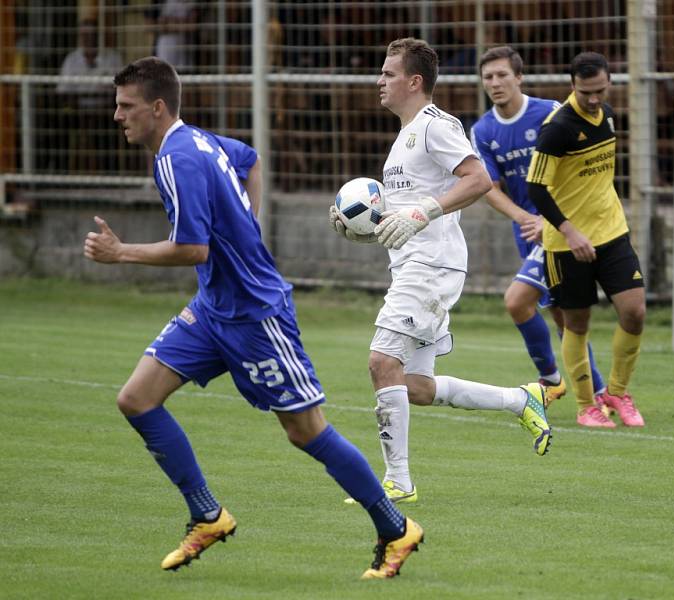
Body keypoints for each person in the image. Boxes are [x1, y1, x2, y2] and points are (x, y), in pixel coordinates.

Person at [83, 56, 422, 580]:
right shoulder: (198, 140)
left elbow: (192, 249)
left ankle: (396, 528)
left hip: (255, 315)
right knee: (136, 399)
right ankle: (207, 515)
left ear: (156, 107)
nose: (117, 115)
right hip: (212, 309)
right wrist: (247, 226)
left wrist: (121, 252)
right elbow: (251, 160)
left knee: (306, 431)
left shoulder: (179, 159)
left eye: (126, 106)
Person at [329, 38, 552, 505]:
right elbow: (407, 211)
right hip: (415, 264)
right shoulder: (403, 139)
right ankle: (522, 399)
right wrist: (365, 228)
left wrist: (423, 212)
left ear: (414, 81)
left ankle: (399, 482)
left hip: (430, 267)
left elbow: (478, 179)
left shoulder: (435, 126)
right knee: (416, 388)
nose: (380, 81)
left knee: (380, 362)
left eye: (388, 74)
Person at [470, 45, 607, 408]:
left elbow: (580, 170)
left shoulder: (550, 113)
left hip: (562, 228)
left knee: (517, 302)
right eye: (488, 77)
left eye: (502, 75)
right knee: (563, 317)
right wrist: (524, 218)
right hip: (528, 232)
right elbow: (489, 187)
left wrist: (550, 219)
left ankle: (550, 380)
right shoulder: (483, 130)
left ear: (519, 77)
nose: (495, 83)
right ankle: (598, 392)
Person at [526, 51, 646, 428]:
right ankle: (585, 406)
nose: (593, 99)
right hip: (566, 245)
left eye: (599, 90)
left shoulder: (608, 115)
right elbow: (536, 187)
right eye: (585, 92)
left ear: (609, 82)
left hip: (611, 232)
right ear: (572, 86)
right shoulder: (557, 127)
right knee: (576, 323)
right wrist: (570, 230)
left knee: (635, 311)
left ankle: (617, 391)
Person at [56, 19, 123, 171]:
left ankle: (110, 173)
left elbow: (121, 89)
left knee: (111, 128)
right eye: (84, 36)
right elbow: (62, 92)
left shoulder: (113, 58)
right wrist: (77, 105)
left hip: (106, 111)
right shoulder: (71, 60)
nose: (88, 39)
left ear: (98, 37)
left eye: (92, 35)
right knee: (59, 125)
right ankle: (62, 171)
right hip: (77, 113)